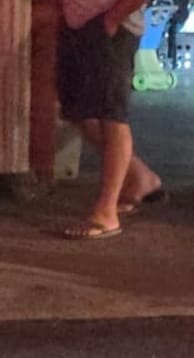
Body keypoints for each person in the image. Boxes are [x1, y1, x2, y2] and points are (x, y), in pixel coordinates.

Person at [57, 0, 164, 239]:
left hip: (112, 23)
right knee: (79, 110)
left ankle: (106, 213)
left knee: (111, 114)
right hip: (79, 22)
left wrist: (114, 18)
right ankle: (140, 178)